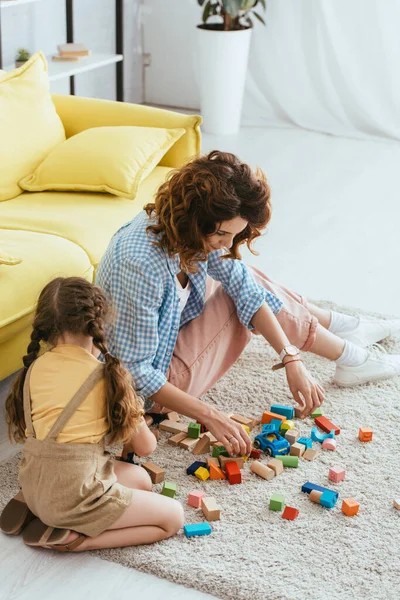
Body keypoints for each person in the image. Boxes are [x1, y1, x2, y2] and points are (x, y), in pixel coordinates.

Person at [96, 150, 400, 457]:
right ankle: (350, 354)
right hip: (149, 388)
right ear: (196, 219)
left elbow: (242, 282)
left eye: (235, 234)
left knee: (241, 276)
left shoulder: (183, 228)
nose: (229, 242)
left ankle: (340, 330)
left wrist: (290, 358)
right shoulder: (139, 265)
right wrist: (210, 415)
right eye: (224, 233)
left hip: (166, 342)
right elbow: (134, 372)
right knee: (236, 298)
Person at [0, 277, 184, 551]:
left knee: (141, 480)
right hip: (74, 496)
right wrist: (133, 415)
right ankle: (77, 540)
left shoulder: (33, 367)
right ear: (99, 324)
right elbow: (146, 447)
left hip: (37, 483)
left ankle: (36, 504)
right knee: (173, 517)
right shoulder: (108, 376)